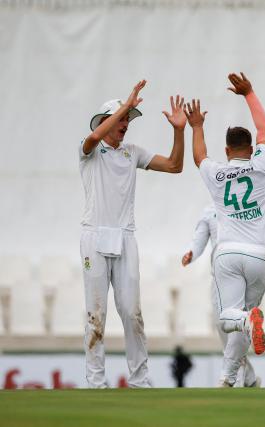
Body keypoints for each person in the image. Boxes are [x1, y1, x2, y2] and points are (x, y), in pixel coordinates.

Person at [79, 80, 187, 388]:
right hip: (94, 237)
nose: (126, 124)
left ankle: (140, 380)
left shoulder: (132, 152)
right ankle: (96, 382)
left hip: (126, 237)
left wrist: (179, 130)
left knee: (131, 313)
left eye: (128, 120)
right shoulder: (89, 150)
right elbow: (94, 136)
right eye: (122, 119)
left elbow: (175, 166)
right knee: (96, 314)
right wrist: (124, 106)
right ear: (106, 121)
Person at [184, 72, 265, 387]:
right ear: (252, 149)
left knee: (229, 320)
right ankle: (228, 377)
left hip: (228, 254)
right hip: (260, 256)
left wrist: (196, 126)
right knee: (246, 321)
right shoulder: (264, 165)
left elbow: (198, 156)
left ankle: (247, 323)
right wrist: (249, 93)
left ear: (227, 151)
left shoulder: (216, 173)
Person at [182, 203, 265, 386]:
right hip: (221, 277)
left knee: (238, 323)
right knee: (225, 325)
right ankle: (250, 379)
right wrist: (191, 253)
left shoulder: (250, 205)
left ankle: (232, 379)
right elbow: (198, 239)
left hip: (243, 269)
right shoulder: (209, 213)